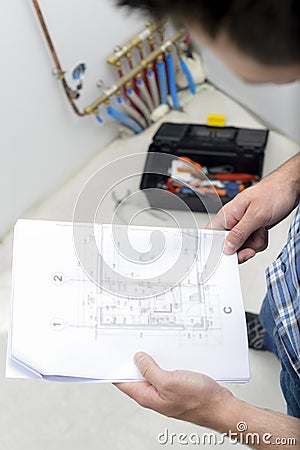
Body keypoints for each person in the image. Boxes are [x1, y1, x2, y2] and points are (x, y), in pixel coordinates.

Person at [114, 1, 300, 447]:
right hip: (291, 287)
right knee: (279, 317)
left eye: (192, 28)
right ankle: (278, 332)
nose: (193, 41)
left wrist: (219, 412)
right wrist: (287, 181)